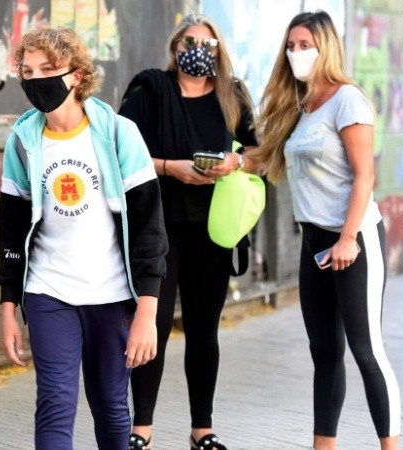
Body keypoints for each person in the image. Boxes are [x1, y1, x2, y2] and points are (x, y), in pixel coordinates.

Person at [0, 25, 168, 450]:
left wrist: (147, 311)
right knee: (54, 402)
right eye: (28, 70)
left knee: (111, 406)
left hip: (112, 294)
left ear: (76, 74)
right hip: (48, 290)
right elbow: (11, 231)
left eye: (48, 68)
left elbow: (149, 228)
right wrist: (7, 305)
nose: (36, 79)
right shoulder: (22, 141)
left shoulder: (117, 135)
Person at [249, 10, 401, 450]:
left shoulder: (347, 100)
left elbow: (364, 177)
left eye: (306, 45)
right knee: (325, 354)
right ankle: (323, 446)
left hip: (354, 239)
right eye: (291, 46)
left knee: (366, 350)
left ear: (326, 47)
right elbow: (270, 156)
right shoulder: (300, 105)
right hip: (313, 241)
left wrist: (349, 237)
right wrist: (235, 162)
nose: (297, 53)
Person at [118, 13, 257, 450]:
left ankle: (202, 428)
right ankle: (141, 429)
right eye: (189, 41)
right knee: (151, 326)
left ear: (218, 52)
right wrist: (169, 168)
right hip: (156, 227)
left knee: (203, 329)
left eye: (207, 43)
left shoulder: (231, 96)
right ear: (175, 47)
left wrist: (234, 162)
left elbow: (258, 152)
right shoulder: (149, 91)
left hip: (210, 229)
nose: (198, 49)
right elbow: (121, 152)